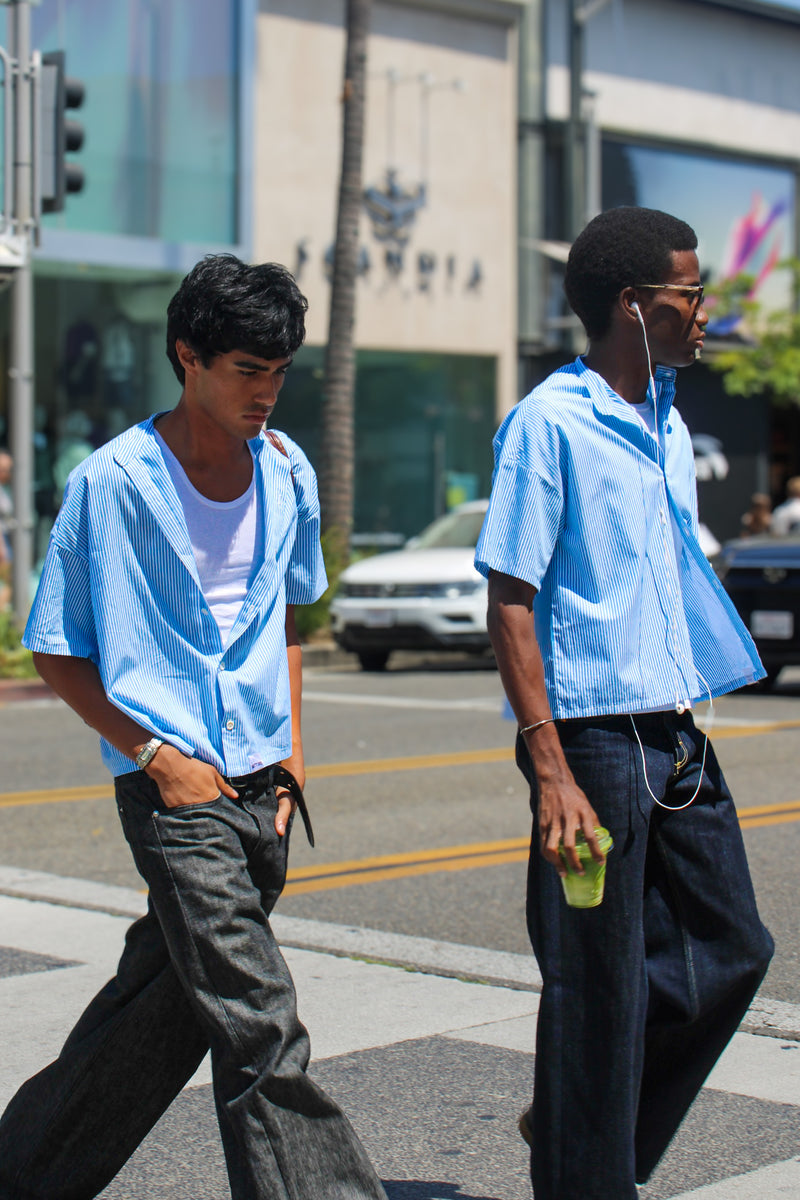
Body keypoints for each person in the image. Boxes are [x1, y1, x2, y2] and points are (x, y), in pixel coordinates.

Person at [0, 255, 387, 1200]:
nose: (266, 392)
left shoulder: (287, 471)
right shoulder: (114, 484)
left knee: (158, 1012)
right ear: (189, 357)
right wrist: (155, 757)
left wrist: (293, 760)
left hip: (264, 788)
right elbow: (55, 648)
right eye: (247, 371)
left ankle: (23, 1173)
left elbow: (289, 620)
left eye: (280, 372)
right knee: (259, 1021)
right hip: (175, 792)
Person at [474, 208, 773, 1200]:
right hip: (590, 748)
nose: (703, 312)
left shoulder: (666, 421)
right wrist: (547, 767)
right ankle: (583, 1164)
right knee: (593, 989)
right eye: (689, 295)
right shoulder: (547, 424)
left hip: (670, 735)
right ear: (631, 306)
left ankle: (572, 1118)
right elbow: (510, 600)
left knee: (731, 950)